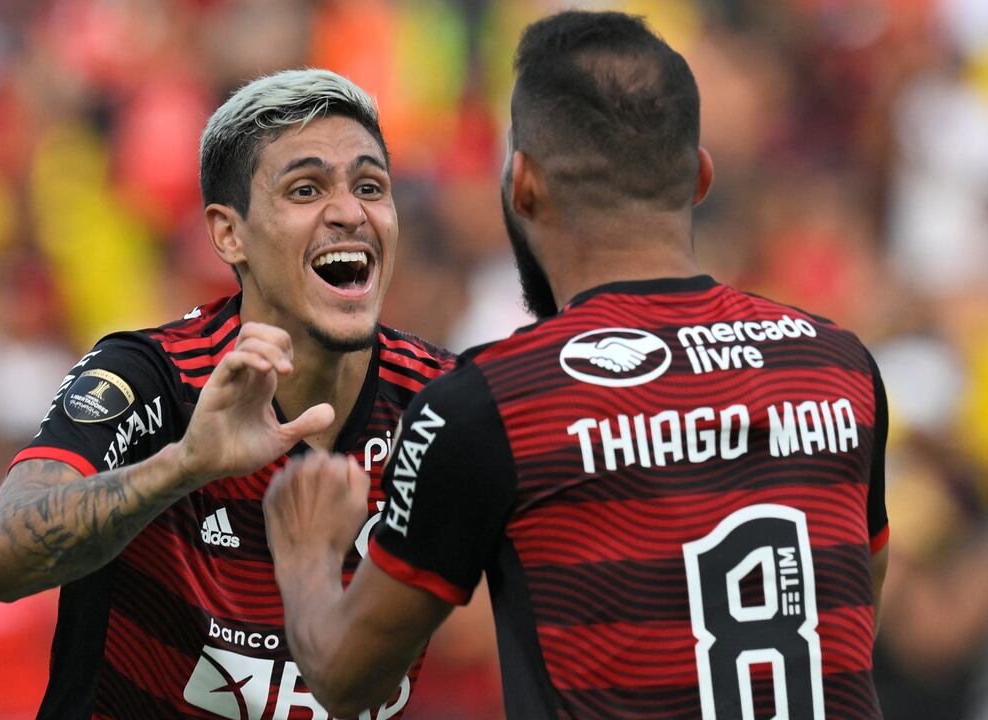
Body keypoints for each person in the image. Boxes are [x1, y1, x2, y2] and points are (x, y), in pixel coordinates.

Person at [263, 11, 890, 720]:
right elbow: (848, 624)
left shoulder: (489, 405)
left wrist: (306, 551)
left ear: (522, 184)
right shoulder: (839, 367)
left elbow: (346, 679)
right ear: (700, 176)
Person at [0, 68, 454, 719]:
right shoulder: (153, 376)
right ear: (229, 234)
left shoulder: (443, 405)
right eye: (306, 189)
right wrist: (186, 465)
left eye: (370, 187)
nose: (349, 212)